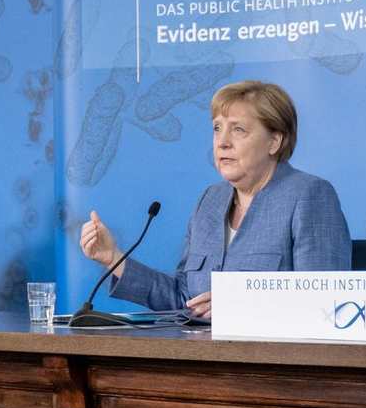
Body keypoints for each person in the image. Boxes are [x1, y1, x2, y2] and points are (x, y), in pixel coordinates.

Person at [79, 80, 350, 318]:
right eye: (217, 128)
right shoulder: (210, 200)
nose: (222, 142)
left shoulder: (309, 195)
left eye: (238, 130)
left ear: (274, 142)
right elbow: (182, 299)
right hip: (203, 361)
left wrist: (239, 308)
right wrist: (113, 258)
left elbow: (325, 304)